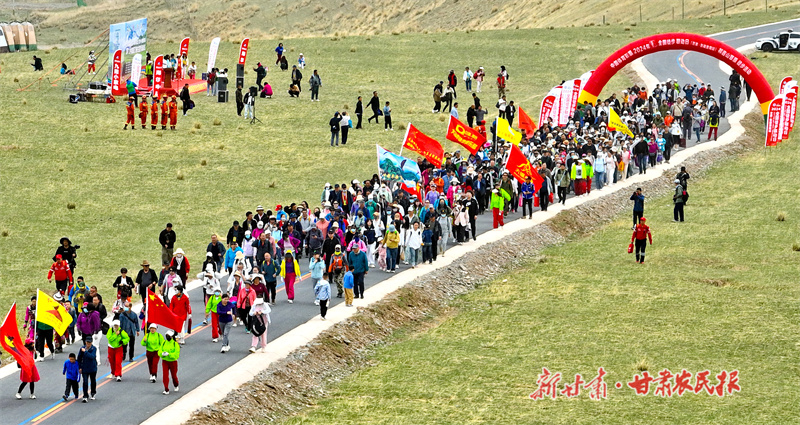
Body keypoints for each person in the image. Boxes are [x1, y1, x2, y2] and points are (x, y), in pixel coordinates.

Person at [159, 330, 180, 394]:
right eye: (166, 335)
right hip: (165, 361)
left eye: (169, 336)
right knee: (165, 375)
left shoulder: (175, 344)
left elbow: (176, 355)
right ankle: (166, 389)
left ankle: (176, 385)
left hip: (173, 362)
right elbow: (159, 351)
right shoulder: (163, 343)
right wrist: (162, 354)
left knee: (174, 376)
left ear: (172, 337)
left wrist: (169, 354)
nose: (167, 337)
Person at [77, 337, 97, 402]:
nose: (88, 344)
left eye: (89, 343)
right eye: (87, 342)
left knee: (93, 381)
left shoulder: (93, 349)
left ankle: (93, 393)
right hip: (85, 368)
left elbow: (92, 356)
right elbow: (79, 358)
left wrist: (85, 352)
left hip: (92, 368)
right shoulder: (82, 349)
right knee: (85, 382)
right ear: (85, 342)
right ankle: (85, 395)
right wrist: (79, 367)